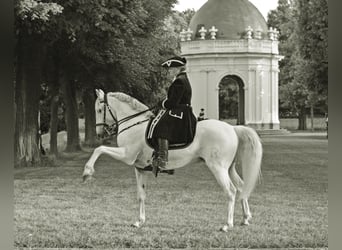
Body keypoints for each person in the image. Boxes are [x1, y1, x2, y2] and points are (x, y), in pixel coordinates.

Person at [150, 56, 194, 176]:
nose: (169, 72)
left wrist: (162, 102)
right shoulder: (182, 78)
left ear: (177, 69)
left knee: (161, 127)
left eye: (170, 69)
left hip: (180, 112)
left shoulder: (179, 81)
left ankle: (163, 160)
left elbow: (172, 103)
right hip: (180, 110)